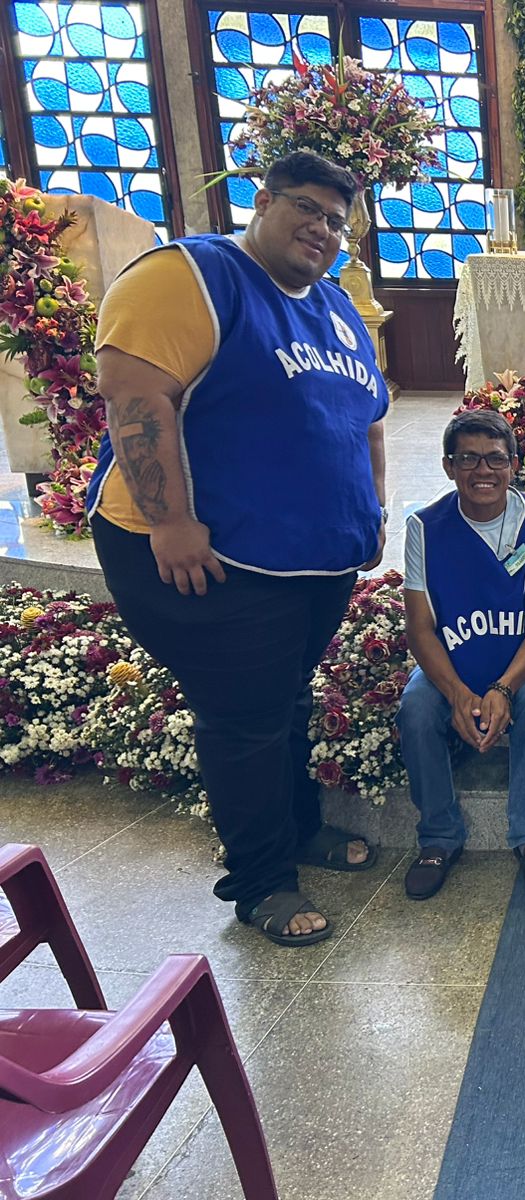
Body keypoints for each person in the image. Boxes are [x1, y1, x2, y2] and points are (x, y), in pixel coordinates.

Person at [85, 150, 387, 947]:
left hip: (310, 556)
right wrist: (172, 523)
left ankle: (299, 829)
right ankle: (261, 882)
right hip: (214, 555)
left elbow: (368, 417)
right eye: (307, 208)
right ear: (262, 200)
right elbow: (134, 395)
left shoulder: (335, 305)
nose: (321, 229)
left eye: (336, 221)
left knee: (285, 700)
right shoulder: (190, 276)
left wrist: (373, 508)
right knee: (244, 717)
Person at [396, 410, 525, 900]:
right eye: (468, 459)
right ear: (448, 466)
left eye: (495, 459)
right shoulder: (425, 527)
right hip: (455, 660)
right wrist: (456, 693)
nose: (483, 471)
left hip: (523, 661)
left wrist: (502, 689)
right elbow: (420, 626)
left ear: (514, 464)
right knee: (415, 708)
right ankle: (438, 836)